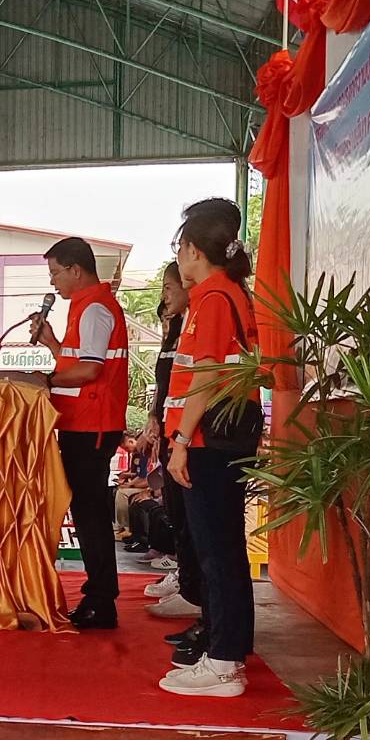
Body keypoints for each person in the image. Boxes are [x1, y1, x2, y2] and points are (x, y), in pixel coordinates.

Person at [160, 198, 262, 698]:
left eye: (179, 247)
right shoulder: (219, 295)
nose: (178, 257)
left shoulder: (216, 298)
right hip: (214, 439)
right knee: (222, 549)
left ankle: (223, 664)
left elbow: (205, 377)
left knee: (217, 552)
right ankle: (228, 651)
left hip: (209, 441)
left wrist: (181, 441)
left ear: (194, 250)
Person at [29, 236, 129, 630]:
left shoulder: (95, 309)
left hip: (92, 425)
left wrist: (46, 379)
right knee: (86, 511)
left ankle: (101, 600)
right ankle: (98, 596)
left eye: (55, 273)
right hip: (79, 422)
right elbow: (77, 361)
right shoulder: (83, 308)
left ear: (76, 270)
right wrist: (53, 344)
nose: (52, 282)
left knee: (91, 514)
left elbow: (89, 370)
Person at [136, 263, 203, 621]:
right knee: (177, 512)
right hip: (168, 430)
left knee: (192, 518)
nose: (164, 296)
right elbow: (165, 386)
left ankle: (193, 589)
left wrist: (182, 437)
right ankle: (185, 578)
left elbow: (198, 384)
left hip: (189, 436)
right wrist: (153, 417)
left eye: (168, 287)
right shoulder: (176, 330)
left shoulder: (202, 319)